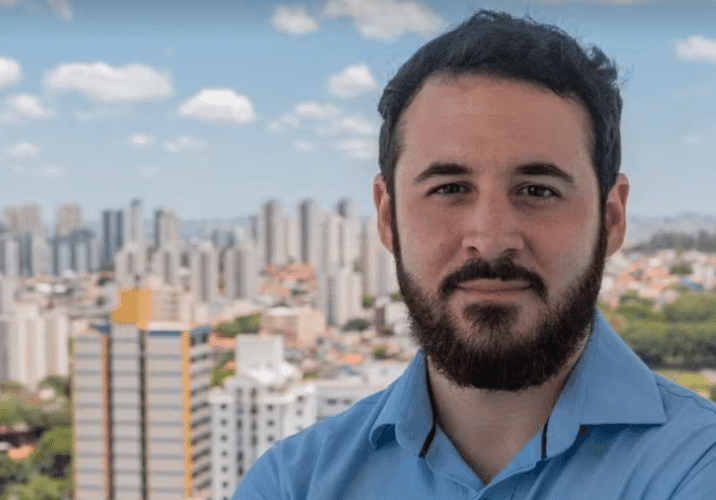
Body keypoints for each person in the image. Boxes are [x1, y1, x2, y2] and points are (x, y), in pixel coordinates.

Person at [233, 10, 716, 499]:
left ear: (611, 218)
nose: (490, 238)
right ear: (387, 216)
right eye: (450, 188)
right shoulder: (292, 484)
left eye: (538, 190)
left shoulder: (699, 465)